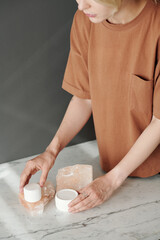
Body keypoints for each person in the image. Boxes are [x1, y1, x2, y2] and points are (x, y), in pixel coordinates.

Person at [19, 0, 160, 213]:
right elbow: (84, 98)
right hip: (109, 171)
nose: (81, 6)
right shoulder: (86, 21)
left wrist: (111, 182)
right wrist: (51, 151)